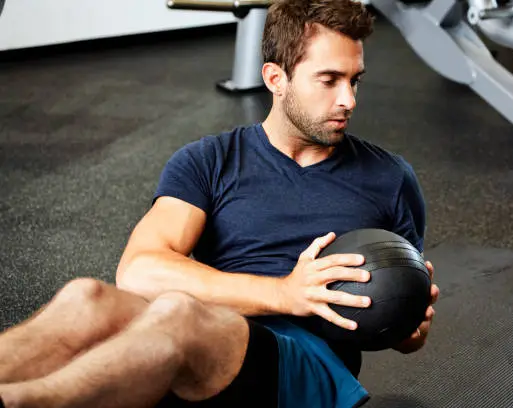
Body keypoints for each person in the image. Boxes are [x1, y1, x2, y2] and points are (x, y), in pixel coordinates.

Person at [0, 0, 440, 407]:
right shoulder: (209, 160)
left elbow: (407, 329)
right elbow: (138, 270)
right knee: (86, 298)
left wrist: (407, 322)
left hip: (309, 366)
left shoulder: (389, 178)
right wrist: (284, 292)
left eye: (354, 80)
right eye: (329, 80)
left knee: (177, 312)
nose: (348, 100)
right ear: (275, 79)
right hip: (208, 333)